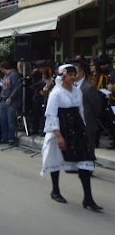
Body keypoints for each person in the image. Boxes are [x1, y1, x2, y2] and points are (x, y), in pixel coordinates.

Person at [41, 64, 102, 211]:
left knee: (85, 161)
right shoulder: (56, 93)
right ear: (63, 76)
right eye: (71, 74)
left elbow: (80, 111)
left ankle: (88, 198)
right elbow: (51, 115)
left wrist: (84, 129)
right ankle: (55, 190)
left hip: (77, 129)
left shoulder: (77, 92)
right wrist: (58, 136)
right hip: (61, 129)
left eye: (75, 74)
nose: (73, 77)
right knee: (56, 158)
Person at [75, 62, 103, 152]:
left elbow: (97, 107)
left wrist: (89, 117)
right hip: (75, 125)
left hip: (87, 125)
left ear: (81, 73)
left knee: (87, 153)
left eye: (75, 72)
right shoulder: (71, 86)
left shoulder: (88, 87)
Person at [0, 61, 21, 145]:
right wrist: (0, 99)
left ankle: (11, 138)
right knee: (3, 120)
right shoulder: (5, 76)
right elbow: (3, 89)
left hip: (11, 100)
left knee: (11, 120)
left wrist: (11, 97)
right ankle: (5, 137)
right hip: (3, 99)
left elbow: (16, 88)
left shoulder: (14, 75)